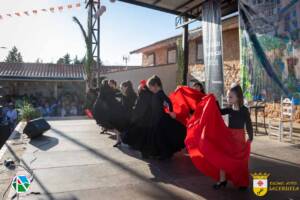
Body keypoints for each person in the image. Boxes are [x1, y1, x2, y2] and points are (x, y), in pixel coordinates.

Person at [214, 84, 253, 190]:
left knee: (240, 161)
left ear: (238, 97)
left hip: (239, 137)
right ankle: (223, 180)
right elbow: (219, 112)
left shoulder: (244, 110)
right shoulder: (230, 109)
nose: (228, 98)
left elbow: (248, 123)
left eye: (230, 97)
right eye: (227, 96)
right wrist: (215, 101)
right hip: (229, 136)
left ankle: (242, 182)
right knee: (223, 157)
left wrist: (250, 136)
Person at [146, 75, 186, 160]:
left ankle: (165, 154)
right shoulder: (156, 94)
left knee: (161, 137)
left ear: (156, 85)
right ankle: (163, 153)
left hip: (160, 118)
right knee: (160, 136)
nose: (150, 89)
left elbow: (168, 101)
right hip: (156, 118)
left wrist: (171, 112)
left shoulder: (160, 93)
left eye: (150, 87)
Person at [122, 80, 153, 158]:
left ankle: (144, 152)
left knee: (140, 136)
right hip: (143, 119)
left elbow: (139, 107)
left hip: (140, 119)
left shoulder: (142, 95)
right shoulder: (148, 95)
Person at [114, 81, 137, 147]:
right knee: (117, 126)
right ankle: (118, 140)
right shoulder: (122, 94)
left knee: (129, 129)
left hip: (129, 114)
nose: (120, 89)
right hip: (123, 113)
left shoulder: (133, 94)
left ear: (126, 87)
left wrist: (124, 96)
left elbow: (130, 104)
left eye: (121, 87)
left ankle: (131, 142)